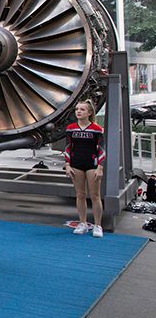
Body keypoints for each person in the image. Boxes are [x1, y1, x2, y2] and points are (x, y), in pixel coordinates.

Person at [64, 100, 105, 237]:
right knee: (80, 195)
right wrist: (67, 165)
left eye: (82, 109)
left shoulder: (97, 129)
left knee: (95, 195)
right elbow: (68, 147)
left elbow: (101, 149)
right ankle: (83, 223)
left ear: (89, 112)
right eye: (77, 109)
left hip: (92, 164)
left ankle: (98, 225)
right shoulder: (71, 128)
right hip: (76, 163)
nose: (78, 111)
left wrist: (100, 167)